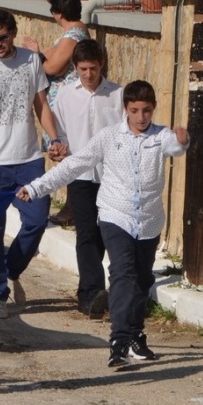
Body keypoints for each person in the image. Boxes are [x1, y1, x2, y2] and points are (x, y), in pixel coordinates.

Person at [16, 80, 189, 368]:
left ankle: (135, 334)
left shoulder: (161, 137)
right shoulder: (109, 137)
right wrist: (36, 188)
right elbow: (75, 164)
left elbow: (176, 147)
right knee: (122, 274)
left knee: (142, 279)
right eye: (135, 110)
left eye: (147, 111)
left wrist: (182, 140)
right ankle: (118, 340)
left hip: (148, 220)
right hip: (114, 215)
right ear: (126, 109)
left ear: (154, 109)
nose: (141, 117)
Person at [0, 9, 66, 319]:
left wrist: (54, 137)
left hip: (29, 159)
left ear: (13, 33)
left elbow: (41, 105)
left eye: (2, 37)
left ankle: (11, 267)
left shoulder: (31, 61)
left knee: (36, 218)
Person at [49, 39, 124, 319]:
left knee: (108, 232)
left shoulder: (118, 95)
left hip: (111, 176)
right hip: (80, 174)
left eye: (93, 68)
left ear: (101, 64)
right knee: (86, 233)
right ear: (76, 68)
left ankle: (112, 290)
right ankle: (89, 293)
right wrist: (59, 148)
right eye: (83, 69)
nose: (89, 75)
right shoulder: (67, 96)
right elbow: (60, 131)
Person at [22, 0, 89, 227]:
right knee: (69, 155)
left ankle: (72, 209)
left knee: (70, 155)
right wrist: (37, 53)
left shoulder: (73, 36)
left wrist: (35, 54)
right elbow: (48, 57)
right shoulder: (72, 34)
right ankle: (72, 207)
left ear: (58, 12)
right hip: (66, 104)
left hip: (69, 105)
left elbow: (52, 67)